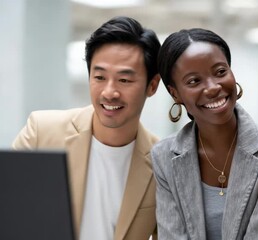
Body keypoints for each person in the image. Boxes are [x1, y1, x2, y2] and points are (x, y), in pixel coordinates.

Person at [12, 16, 161, 240]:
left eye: (124, 80)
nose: (109, 92)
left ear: (152, 85)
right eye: (99, 77)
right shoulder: (41, 132)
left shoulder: (163, 162)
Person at [151, 28, 258, 240]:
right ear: (175, 93)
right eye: (194, 81)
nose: (213, 87)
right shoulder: (164, 157)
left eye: (220, 72)